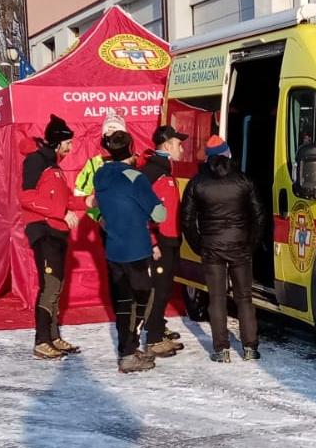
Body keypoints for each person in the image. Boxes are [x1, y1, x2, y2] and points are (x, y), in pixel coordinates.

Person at [181, 135, 265, 363]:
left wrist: (198, 244)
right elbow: (258, 216)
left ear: (208, 159)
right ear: (228, 154)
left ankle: (221, 349)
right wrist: (251, 243)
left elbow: (186, 219)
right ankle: (250, 347)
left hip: (211, 246)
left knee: (216, 298)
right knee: (244, 298)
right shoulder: (244, 180)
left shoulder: (197, 182)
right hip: (240, 245)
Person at [94, 131, 170, 373]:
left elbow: (101, 206)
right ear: (131, 149)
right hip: (136, 249)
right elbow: (159, 214)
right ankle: (129, 351)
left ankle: (126, 350)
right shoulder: (136, 178)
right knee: (141, 300)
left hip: (113, 249)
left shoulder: (101, 174)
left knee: (122, 303)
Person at [19, 114, 91, 360]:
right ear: (58, 142)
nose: (71, 148)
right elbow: (26, 198)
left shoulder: (55, 166)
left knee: (57, 287)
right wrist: (62, 212)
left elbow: (65, 199)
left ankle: (53, 336)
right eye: (68, 143)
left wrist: (86, 202)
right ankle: (41, 341)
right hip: (44, 231)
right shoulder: (35, 162)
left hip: (57, 231)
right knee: (49, 286)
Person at [139, 125, 189, 351]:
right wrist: (152, 241)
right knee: (159, 290)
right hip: (160, 242)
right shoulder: (152, 172)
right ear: (167, 145)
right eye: (179, 144)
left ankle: (157, 328)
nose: (182, 148)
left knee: (165, 288)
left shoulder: (164, 170)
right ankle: (153, 339)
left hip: (170, 239)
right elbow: (139, 209)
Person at [74, 109, 127, 223]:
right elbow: (80, 193)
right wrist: (99, 217)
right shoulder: (94, 163)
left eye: (117, 136)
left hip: (132, 222)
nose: (112, 141)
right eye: (108, 136)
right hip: (108, 221)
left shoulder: (135, 160)